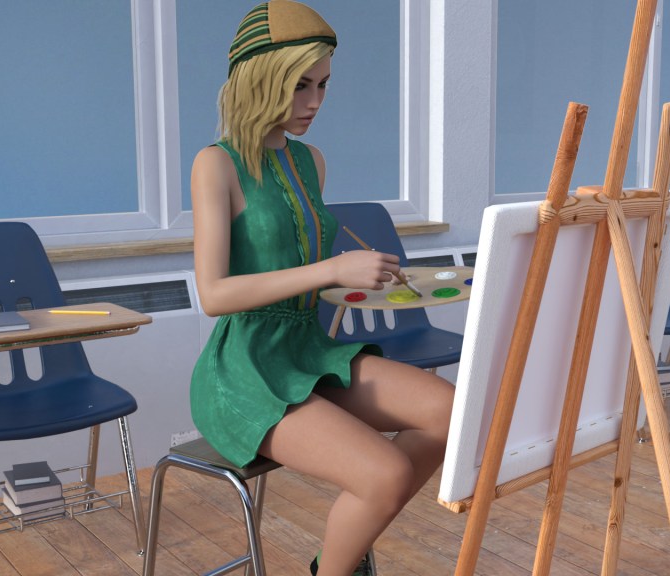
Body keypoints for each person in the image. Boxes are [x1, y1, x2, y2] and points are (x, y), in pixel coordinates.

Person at [188, 2, 454, 575]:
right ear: (259, 80)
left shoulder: (311, 161)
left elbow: (306, 272)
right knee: (385, 473)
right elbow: (214, 295)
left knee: (449, 413)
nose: (314, 102)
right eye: (299, 85)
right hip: (243, 371)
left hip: (307, 349)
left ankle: (337, 556)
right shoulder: (216, 164)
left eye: (323, 84)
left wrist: (366, 280)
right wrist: (332, 270)